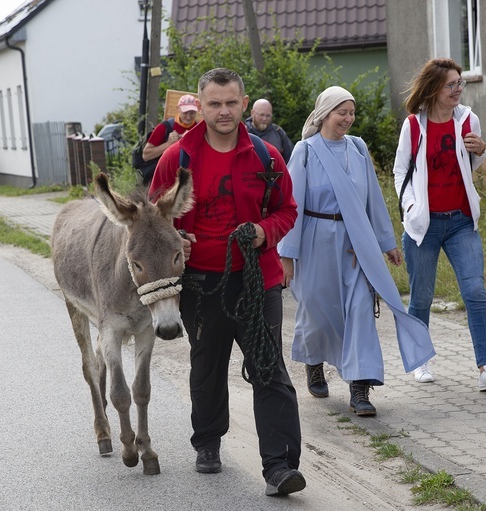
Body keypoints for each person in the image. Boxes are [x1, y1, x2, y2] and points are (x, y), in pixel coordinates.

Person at [148, 68, 306, 496]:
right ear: (199, 105)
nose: (223, 111)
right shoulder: (175, 159)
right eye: (214, 103)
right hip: (200, 286)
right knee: (208, 366)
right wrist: (174, 238)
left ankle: (279, 466)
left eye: (230, 103)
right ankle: (208, 441)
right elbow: (153, 223)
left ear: (243, 102)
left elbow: (287, 210)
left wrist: (263, 232)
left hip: (258, 283)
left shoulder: (266, 157)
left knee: (268, 369)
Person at [278, 86, 435, 417]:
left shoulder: (359, 148)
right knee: (316, 310)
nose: (348, 119)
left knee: (361, 311)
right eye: (342, 112)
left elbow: (373, 201)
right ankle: (313, 361)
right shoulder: (305, 152)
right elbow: (292, 205)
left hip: (356, 244)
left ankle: (360, 388)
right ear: (324, 114)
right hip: (315, 241)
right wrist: (287, 255)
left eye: (351, 112)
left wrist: (387, 242)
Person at [392, 58, 486, 391]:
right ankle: (420, 360)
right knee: (422, 297)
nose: (458, 90)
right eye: (451, 85)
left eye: (460, 83)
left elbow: (472, 162)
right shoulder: (414, 126)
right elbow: (400, 171)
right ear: (433, 88)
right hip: (424, 226)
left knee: (475, 291)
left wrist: (482, 149)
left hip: (460, 221)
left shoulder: (468, 119)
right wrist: (411, 205)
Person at [140, 94, 200, 185]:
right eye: (185, 112)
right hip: (165, 178)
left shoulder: (199, 128)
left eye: (192, 113)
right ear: (178, 109)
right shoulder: (164, 127)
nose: (188, 117)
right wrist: (168, 143)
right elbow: (146, 155)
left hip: (190, 178)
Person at [245, 98, 295, 163]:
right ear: (252, 113)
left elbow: (291, 159)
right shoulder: (243, 131)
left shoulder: (278, 132)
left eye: (268, 116)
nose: (264, 118)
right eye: (261, 115)